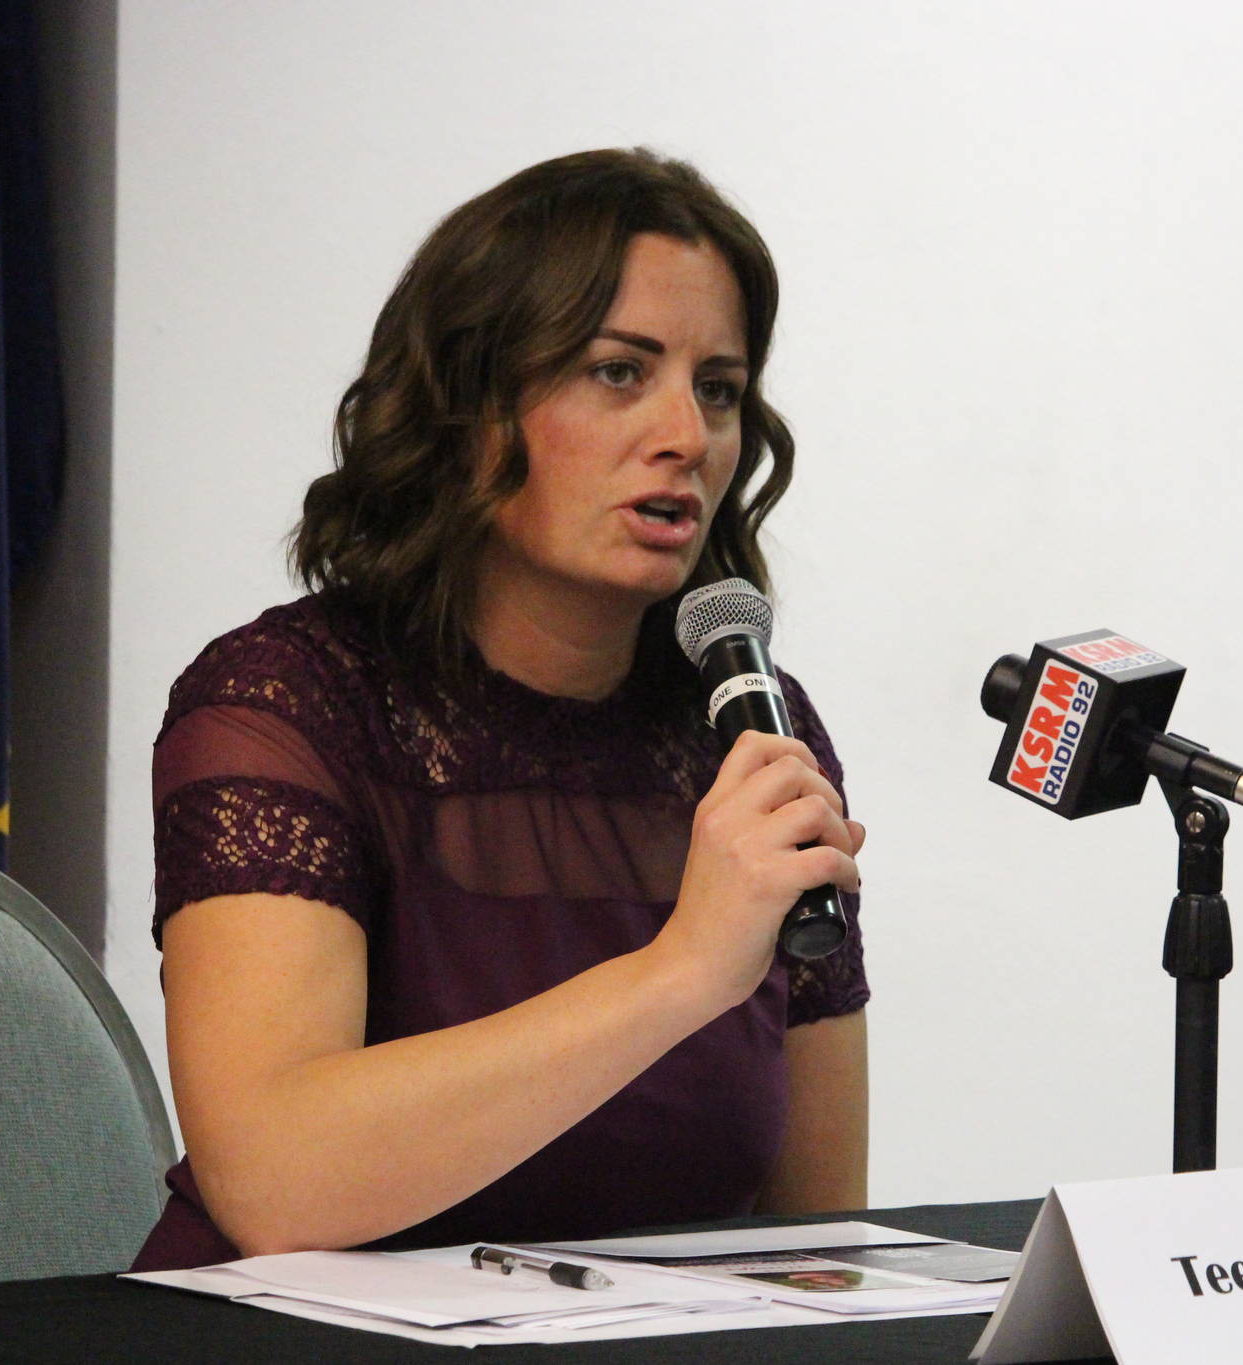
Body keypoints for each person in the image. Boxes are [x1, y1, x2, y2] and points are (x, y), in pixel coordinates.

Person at [131, 150, 868, 1271]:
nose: (686, 434)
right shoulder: (284, 704)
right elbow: (275, 1181)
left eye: (717, 389)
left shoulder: (747, 736)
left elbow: (818, 1247)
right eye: (619, 372)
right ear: (469, 406)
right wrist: (683, 970)